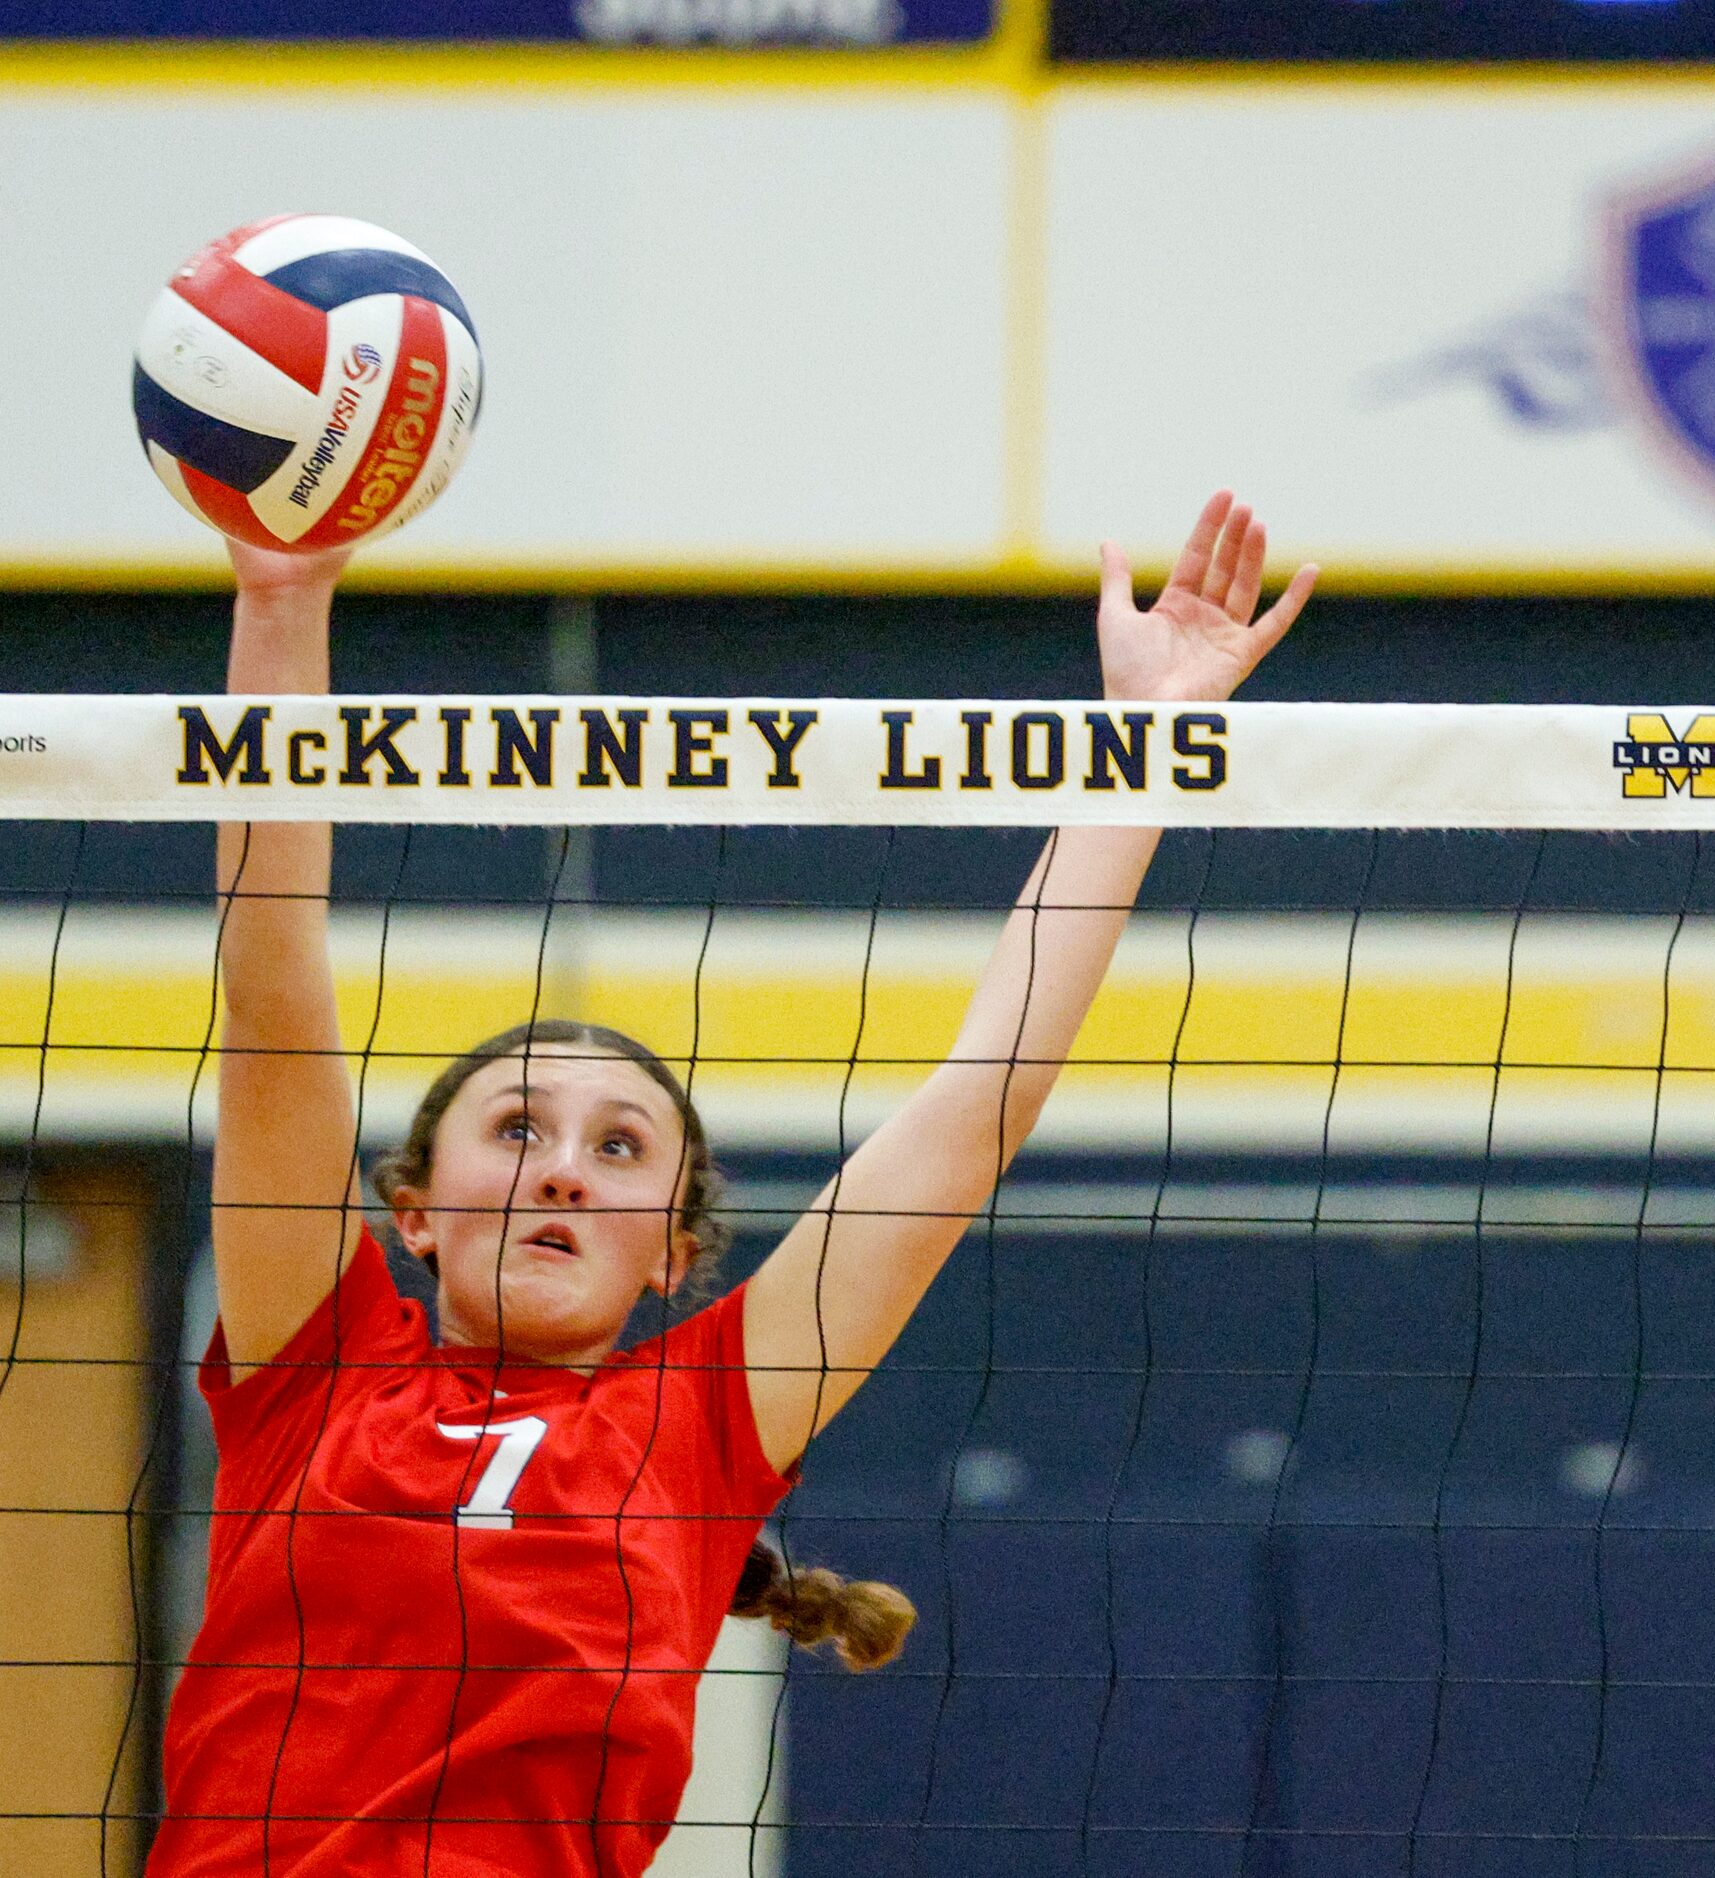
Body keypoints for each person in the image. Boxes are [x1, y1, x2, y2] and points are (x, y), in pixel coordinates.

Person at [150, 493, 1317, 1878]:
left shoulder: (699, 1422)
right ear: (413, 1209)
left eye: (620, 1146)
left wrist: (1139, 749)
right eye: (518, 1127)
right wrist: (281, 601)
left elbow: (979, 1100)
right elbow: (274, 1000)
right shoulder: (317, 1371)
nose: (567, 1170)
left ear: (669, 1253)